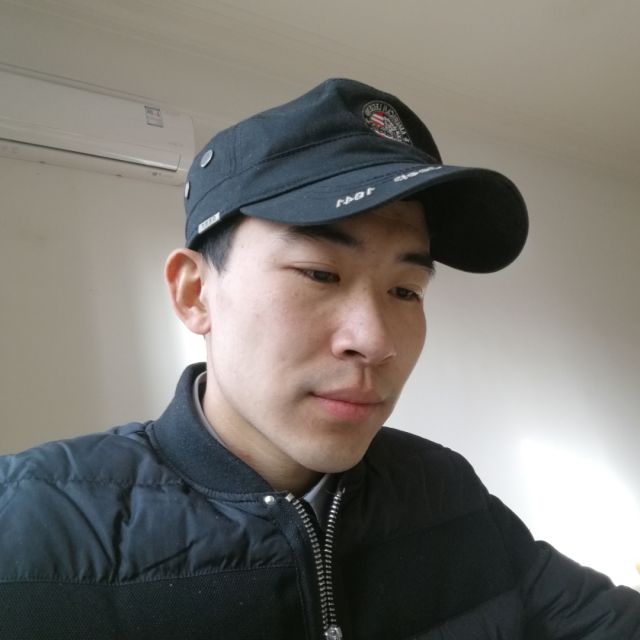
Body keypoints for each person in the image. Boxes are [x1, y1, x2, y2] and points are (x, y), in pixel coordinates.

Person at [0, 78, 638, 640]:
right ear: (195, 294)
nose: (376, 341)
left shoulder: (445, 489)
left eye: (405, 291)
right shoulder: (27, 526)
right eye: (319, 273)